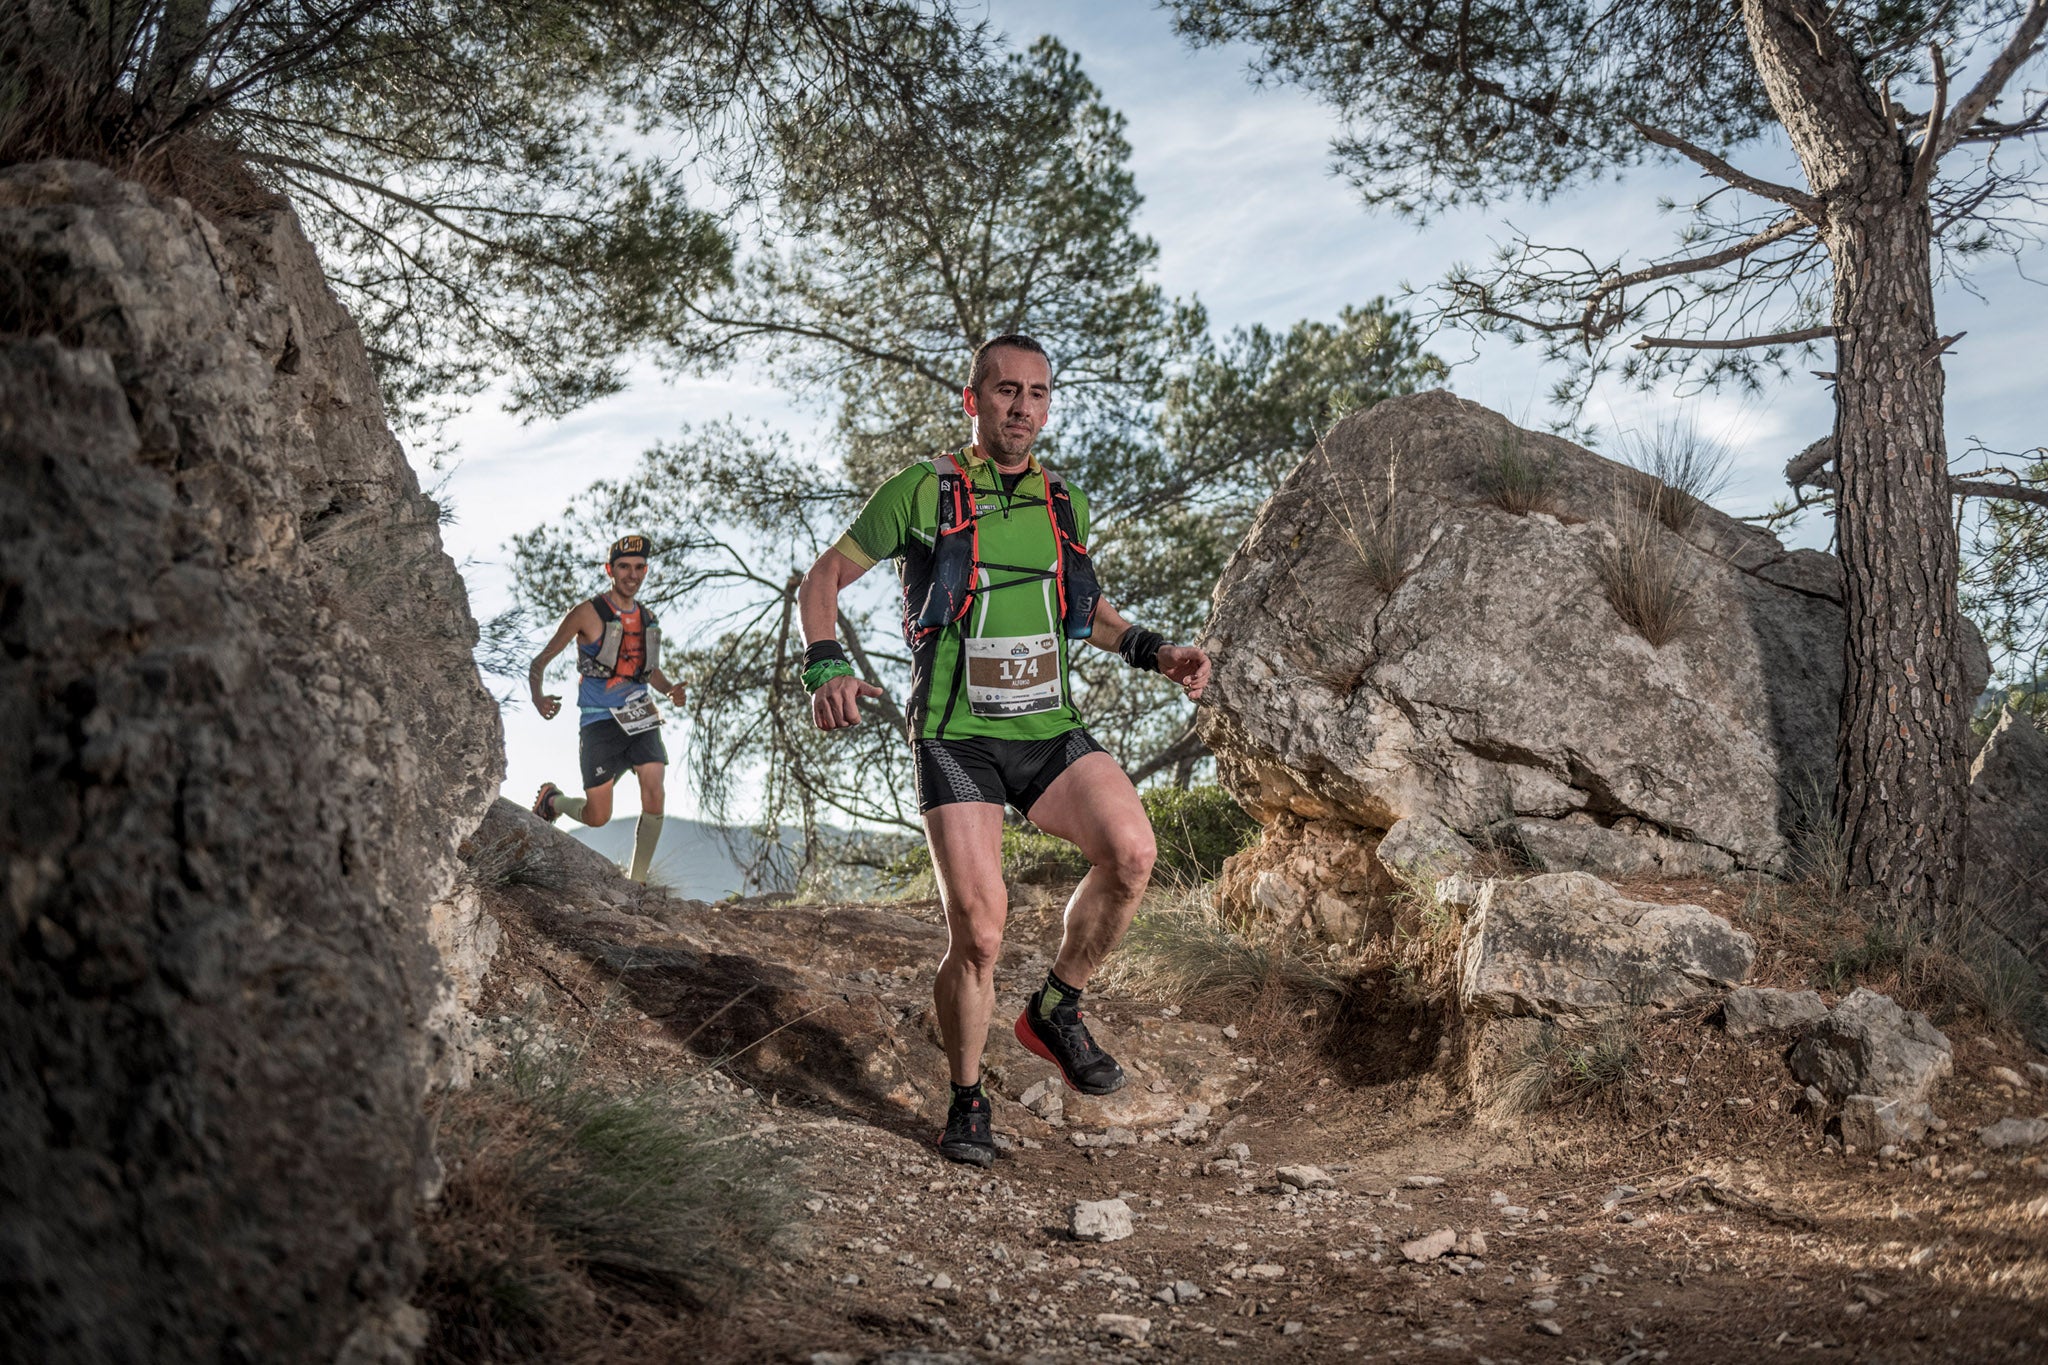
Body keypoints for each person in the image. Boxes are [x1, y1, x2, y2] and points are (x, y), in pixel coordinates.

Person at [798, 334, 1212, 1167]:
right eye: (1005, 391)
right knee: (980, 931)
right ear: (973, 398)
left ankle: (1057, 1007)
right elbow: (822, 578)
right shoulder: (923, 490)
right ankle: (967, 1096)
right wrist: (826, 662)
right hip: (957, 736)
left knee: (1132, 851)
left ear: (1048, 404)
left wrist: (1157, 650)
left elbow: (1087, 612)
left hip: (1049, 730)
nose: (1022, 406)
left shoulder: (1065, 502)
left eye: (1037, 393)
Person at [529, 534, 688, 883]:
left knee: (654, 784)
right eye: (624, 567)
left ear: (646, 570)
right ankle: (552, 801)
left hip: (640, 716)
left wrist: (669, 690)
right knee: (598, 816)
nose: (632, 574)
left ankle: (638, 882)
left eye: (639, 567)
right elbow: (540, 661)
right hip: (599, 722)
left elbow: (648, 671)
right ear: (610, 570)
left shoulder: (648, 619)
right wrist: (538, 696)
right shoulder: (587, 613)